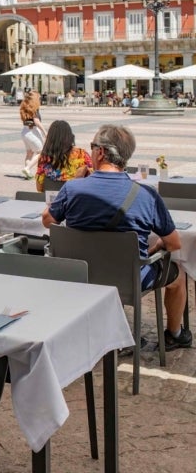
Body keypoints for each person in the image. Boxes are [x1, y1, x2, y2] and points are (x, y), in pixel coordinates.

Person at [42, 124, 191, 350]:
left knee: (106, 265)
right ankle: (174, 333)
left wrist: (76, 179)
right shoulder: (146, 195)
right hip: (129, 279)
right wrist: (155, 246)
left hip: (82, 275)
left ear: (100, 152)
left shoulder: (72, 190)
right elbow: (174, 243)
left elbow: (47, 220)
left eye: (92, 147)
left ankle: (114, 332)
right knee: (178, 276)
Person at [34, 120, 92, 193]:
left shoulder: (44, 158)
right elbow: (93, 180)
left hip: (53, 201)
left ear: (50, 138)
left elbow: (39, 188)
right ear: (70, 136)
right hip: (75, 200)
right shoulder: (82, 155)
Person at [19, 91, 47, 179]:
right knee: (41, 152)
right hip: (32, 131)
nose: (39, 99)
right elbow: (37, 121)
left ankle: (28, 174)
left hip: (25, 131)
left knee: (29, 153)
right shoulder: (33, 108)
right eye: (38, 98)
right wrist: (45, 132)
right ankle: (27, 168)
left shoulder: (25, 107)